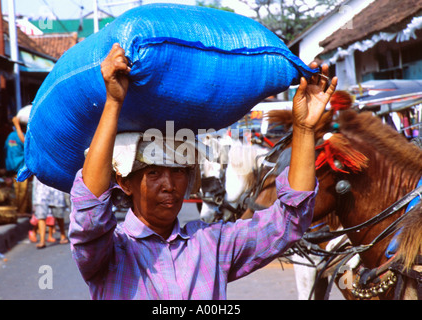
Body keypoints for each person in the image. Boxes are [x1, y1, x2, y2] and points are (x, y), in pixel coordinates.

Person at [68, 43, 338, 299]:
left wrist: (303, 129)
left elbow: (290, 220)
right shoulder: (111, 254)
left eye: (178, 172)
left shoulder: (211, 243)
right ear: (125, 183)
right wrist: (114, 102)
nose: (169, 184)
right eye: (153, 173)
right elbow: (90, 213)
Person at [32, 177, 69, 249]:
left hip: (55, 188)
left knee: (59, 214)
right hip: (41, 190)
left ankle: (63, 235)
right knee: (41, 215)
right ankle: (42, 241)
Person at [4, 111, 30, 213]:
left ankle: (16, 212)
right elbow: (25, 143)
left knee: (16, 192)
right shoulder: (22, 136)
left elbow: (5, 150)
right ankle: (20, 212)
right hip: (20, 169)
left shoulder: (10, 136)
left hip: (13, 168)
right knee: (21, 193)